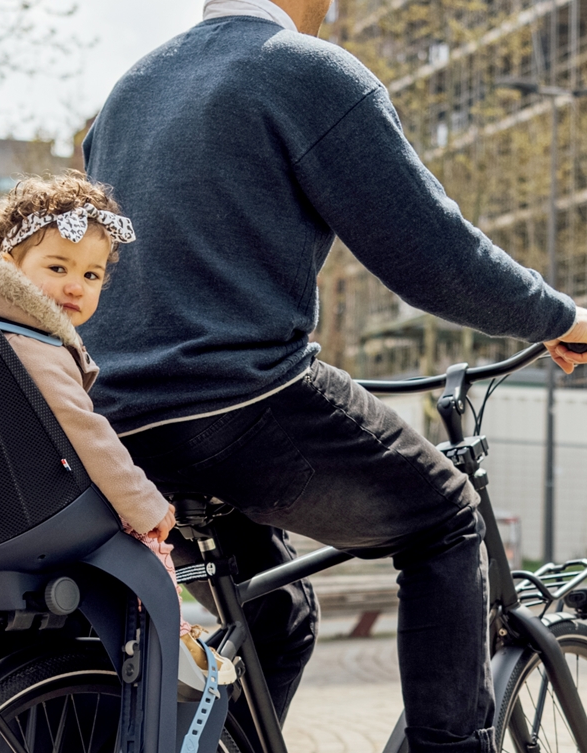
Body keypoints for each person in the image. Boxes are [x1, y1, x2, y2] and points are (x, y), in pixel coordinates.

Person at [79, 0, 587, 750]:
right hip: (237, 403)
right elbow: (435, 257)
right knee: (445, 515)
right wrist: (561, 317)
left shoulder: (131, 90)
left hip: (116, 426)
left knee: (277, 619)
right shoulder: (301, 69)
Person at [0, 173, 236, 690]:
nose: (77, 285)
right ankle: (173, 639)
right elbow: (83, 428)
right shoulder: (29, 338)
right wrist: (144, 504)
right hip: (41, 509)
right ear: (9, 270)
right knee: (149, 542)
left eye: (93, 275)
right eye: (58, 267)